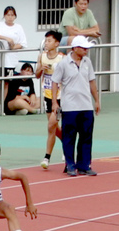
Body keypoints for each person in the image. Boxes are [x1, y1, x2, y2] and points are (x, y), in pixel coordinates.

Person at [51, 35, 100, 176]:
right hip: (70, 107)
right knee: (69, 137)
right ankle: (70, 165)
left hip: (86, 105)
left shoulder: (87, 62)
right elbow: (55, 82)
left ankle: (84, 165)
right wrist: (55, 102)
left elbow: (92, 81)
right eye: (84, 48)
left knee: (86, 136)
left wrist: (96, 100)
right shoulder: (63, 63)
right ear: (75, 48)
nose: (86, 50)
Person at [36, 29, 65, 169]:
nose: (46, 43)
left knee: (50, 126)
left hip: (59, 97)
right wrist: (41, 68)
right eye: (45, 40)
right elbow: (36, 75)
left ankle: (47, 157)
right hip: (47, 95)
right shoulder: (42, 56)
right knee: (53, 126)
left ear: (56, 43)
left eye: (49, 41)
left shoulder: (62, 58)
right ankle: (67, 143)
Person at [0, 6, 27, 110]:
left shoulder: (18, 27)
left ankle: (1, 106)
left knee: (6, 83)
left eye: (12, 15)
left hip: (10, 60)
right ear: (4, 16)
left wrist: (13, 47)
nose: (10, 17)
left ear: (15, 16)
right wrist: (6, 38)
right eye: (8, 15)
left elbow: (22, 43)